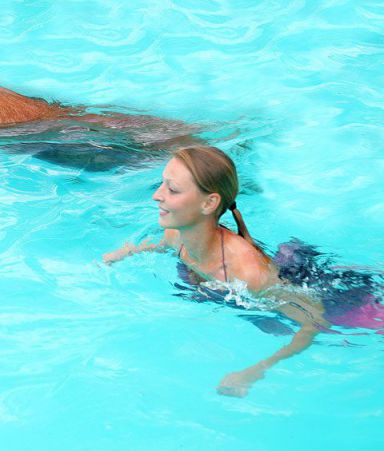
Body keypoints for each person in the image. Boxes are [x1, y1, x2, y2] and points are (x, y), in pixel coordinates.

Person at [103, 146, 331, 397]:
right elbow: (161, 245)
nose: (157, 195)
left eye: (173, 189)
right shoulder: (175, 234)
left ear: (209, 202)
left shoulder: (248, 273)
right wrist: (127, 252)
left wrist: (255, 371)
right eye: (162, 184)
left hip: (300, 284)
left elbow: (314, 322)